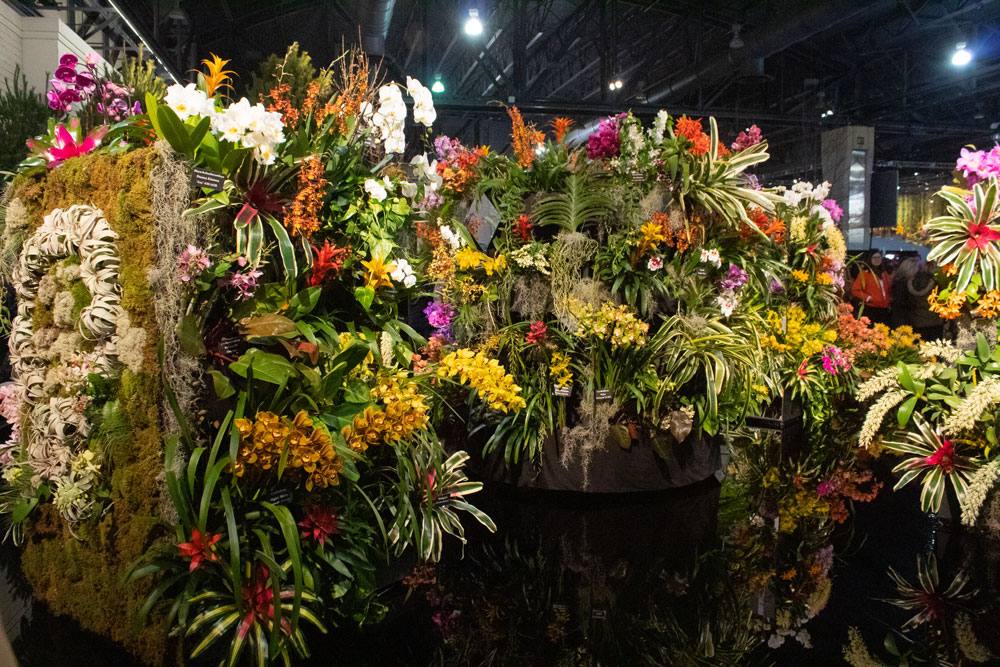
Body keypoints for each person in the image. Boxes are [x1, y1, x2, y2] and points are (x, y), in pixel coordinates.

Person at [901, 260, 943, 340]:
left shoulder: (911, 281)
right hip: (934, 321)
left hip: (916, 320)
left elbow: (908, 302)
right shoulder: (936, 283)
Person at [851, 251, 892, 324]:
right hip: (871, 309)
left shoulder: (884, 273)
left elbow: (888, 289)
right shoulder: (864, 274)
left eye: (878, 257)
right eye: (874, 258)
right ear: (870, 259)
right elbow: (855, 290)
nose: (877, 259)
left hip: (884, 309)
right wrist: (869, 298)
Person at [890, 256, 920, 328]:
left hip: (898, 316)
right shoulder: (903, 284)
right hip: (903, 318)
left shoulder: (897, 281)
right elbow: (900, 301)